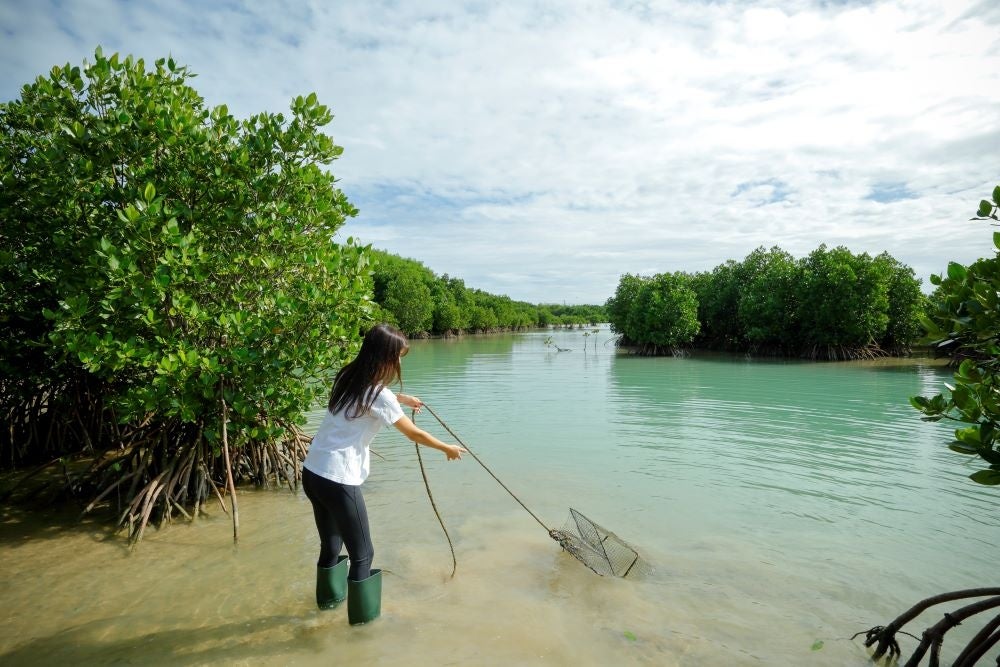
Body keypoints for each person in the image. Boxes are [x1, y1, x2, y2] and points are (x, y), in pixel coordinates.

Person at [302, 323, 465, 625]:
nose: (400, 362)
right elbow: (413, 433)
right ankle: (362, 628)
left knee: (331, 546)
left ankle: (325, 608)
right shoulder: (379, 395)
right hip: (338, 479)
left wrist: (401, 399)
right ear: (385, 356)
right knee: (363, 555)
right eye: (398, 356)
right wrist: (446, 448)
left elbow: (370, 397)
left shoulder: (347, 376)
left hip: (313, 472)